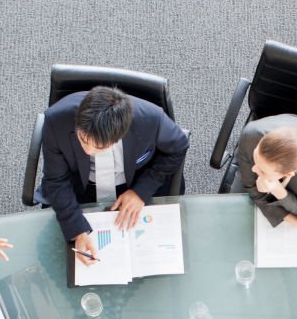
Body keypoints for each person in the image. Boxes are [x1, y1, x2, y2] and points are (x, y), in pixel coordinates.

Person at [38, 85, 189, 266]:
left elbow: (179, 147)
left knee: (149, 258)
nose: (89, 150)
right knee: (58, 256)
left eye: (100, 147)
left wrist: (141, 191)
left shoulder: (151, 119)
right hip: (81, 184)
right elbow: (56, 180)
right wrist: (77, 230)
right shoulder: (56, 120)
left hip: (134, 181)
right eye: (83, 140)